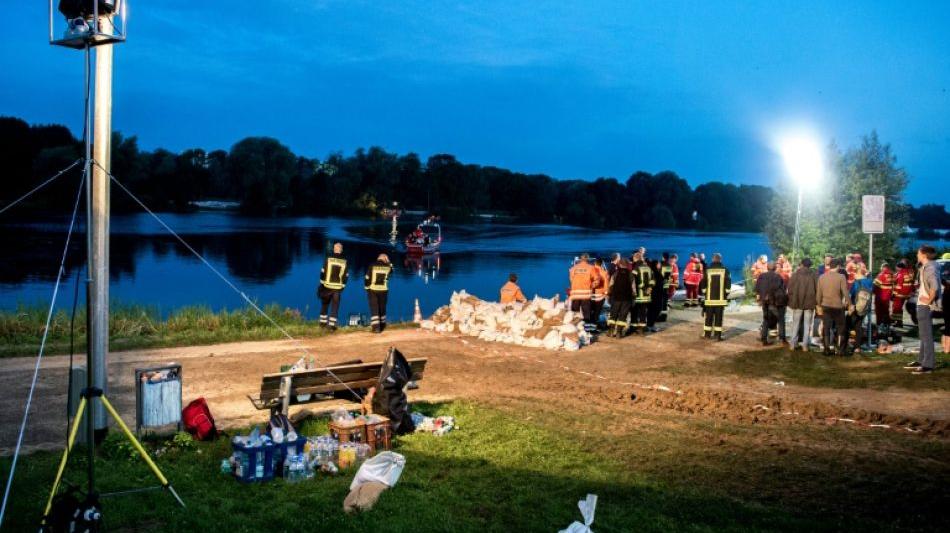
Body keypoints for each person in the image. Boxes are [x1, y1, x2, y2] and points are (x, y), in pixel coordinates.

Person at [904, 245, 940, 373]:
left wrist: (929, 300)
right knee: (923, 334)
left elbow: (934, 286)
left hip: (925, 306)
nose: (917, 255)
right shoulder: (925, 267)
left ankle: (928, 364)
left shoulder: (930, 268)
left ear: (924, 255)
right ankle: (922, 360)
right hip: (922, 304)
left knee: (927, 335)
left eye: (918, 253)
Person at [816, 258, 850, 356]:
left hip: (826, 306)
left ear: (829, 266)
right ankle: (840, 350)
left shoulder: (821, 277)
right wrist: (850, 303)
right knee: (841, 328)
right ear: (838, 266)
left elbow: (818, 294)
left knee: (826, 328)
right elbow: (845, 292)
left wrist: (818, 305)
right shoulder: (841, 277)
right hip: (838, 306)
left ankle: (826, 349)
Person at [788, 258, 818, 352]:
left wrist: (792, 300)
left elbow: (790, 289)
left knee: (795, 324)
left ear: (801, 264)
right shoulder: (814, 275)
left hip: (797, 303)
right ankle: (805, 345)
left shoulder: (795, 274)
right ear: (810, 265)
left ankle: (792, 344)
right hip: (810, 303)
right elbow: (818, 289)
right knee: (807, 325)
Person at [699, 253, 731, 341]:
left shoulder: (707, 270)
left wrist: (705, 294)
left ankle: (707, 334)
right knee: (719, 318)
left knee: (708, 317)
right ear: (720, 259)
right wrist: (725, 295)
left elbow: (703, 283)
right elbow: (728, 286)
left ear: (713, 259)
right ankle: (718, 335)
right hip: (720, 300)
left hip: (709, 299)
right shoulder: (725, 270)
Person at [755, 262, 787, 346]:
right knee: (781, 320)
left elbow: (757, 289)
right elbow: (783, 290)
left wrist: (760, 298)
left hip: (765, 302)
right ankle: (782, 338)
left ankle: (764, 338)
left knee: (766, 319)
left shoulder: (761, 276)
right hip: (776, 303)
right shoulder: (778, 277)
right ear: (775, 268)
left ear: (767, 267)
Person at [318, 242, 349, 330]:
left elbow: (323, 272)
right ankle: (332, 326)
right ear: (341, 250)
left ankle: (322, 324)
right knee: (335, 307)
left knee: (325, 305)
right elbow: (346, 276)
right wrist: (343, 286)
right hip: (337, 288)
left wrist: (322, 283)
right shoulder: (344, 261)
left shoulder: (328, 259)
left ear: (334, 249)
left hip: (327, 286)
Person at [364, 253, 393, 333]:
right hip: (384, 290)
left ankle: (376, 328)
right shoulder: (387, 267)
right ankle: (382, 325)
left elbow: (367, 278)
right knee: (382, 308)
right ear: (385, 259)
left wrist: (366, 287)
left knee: (374, 308)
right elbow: (391, 271)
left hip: (373, 289)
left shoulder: (372, 265)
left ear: (378, 258)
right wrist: (388, 262)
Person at [569, 254, 599, 325]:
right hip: (586, 294)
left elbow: (571, 279)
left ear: (580, 259)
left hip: (575, 294)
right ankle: (586, 327)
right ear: (588, 259)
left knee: (575, 313)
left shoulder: (574, 268)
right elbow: (597, 280)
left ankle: (575, 327)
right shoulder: (591, 268)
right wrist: (592, 286)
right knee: (586, 313)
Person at [606, 258, 634, 337]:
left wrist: (609, 294)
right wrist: (633, 296)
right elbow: (633, 287)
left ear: (620, 264)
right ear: (627, 265)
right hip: (626, 298)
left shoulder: (615, 273)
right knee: (623, 315)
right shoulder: (630, 274)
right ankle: (619, 332)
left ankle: (611, 331)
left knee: (613, 314)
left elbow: (611, 285)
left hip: (616, 298)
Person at [848, 269, 874, 353]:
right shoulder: (869, 281)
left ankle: (848, 345)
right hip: (866, 308)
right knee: (859, 326)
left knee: (851, 325)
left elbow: (852, 293)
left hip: (856, 306)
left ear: (859, 274)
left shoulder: (856, 283)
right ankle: (857, 347)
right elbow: (871, 290)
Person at [631, 252, 654, 335]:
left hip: (637, 295)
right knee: (643, 312)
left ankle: (633, 327)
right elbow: (653, 280)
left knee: (634, 311)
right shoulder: (648, 268)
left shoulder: (635, 269)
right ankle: (642, 329)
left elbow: (633, 282)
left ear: (636, 258)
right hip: (646, 295)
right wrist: (650, 287)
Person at [892, 259, 915, 328]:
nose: (896, 269)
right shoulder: (909, 273)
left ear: (899, 267)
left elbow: (899, 286)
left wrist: (894, 294)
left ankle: (898, 322)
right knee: (898, 308)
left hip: (900, 294)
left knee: (897, 308)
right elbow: (911, 283)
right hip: (907, 294)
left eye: (896, 267)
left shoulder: (900, 274)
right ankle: (897, 321)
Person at [872, 262, 894, 327]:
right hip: (887, 296)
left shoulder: (881, 275)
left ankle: (879, 324)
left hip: (880, 297)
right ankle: (887, 324)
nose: (880, 268)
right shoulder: (892, 275)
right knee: (886, 311)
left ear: (884, 267)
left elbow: (875, 286)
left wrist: (872, 292)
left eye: (881, 267)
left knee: (879, 311)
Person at [647, 258, 665, 331]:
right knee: (656, 309)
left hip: (654, 294)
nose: (660, 265)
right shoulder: (656, 273)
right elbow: (656, 283)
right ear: (656, 265)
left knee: (651, 310)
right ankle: (651, 325)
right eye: (659, 263)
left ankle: (649, 324)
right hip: (656, 294)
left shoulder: (653, 272)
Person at [590, 258, 609, 329]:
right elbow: (606, 285)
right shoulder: (604, 272)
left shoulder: (590, 271)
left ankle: (589, 326)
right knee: (597, 312)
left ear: (595, 263)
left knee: (591, 311)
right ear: (601, 264)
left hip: (591, 295)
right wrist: (606, 294)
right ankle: (594, 327)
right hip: (600, 296)